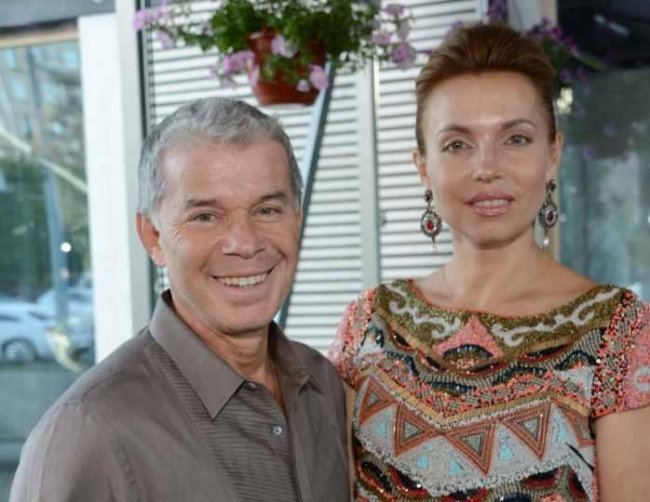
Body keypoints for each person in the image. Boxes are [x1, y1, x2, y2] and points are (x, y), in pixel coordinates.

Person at [330, 23, 650, 501]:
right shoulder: (368, 324)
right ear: (423, 167)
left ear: (553, 154)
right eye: (457, 144)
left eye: (516, 139)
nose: (487, 168)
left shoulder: (619, 333)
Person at [11, 98, 349, 501]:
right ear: (153, 236)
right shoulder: (88, 433)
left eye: (267, 210)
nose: (245, 243)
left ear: (297, 218)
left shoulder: (325, 387)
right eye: (206, 216)